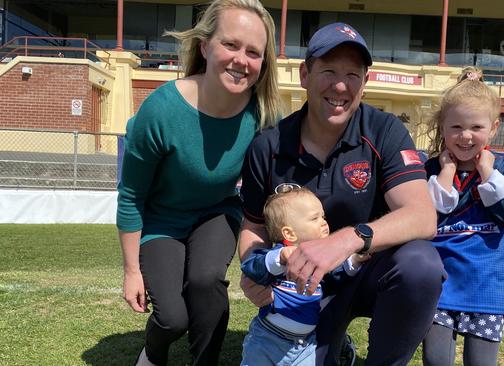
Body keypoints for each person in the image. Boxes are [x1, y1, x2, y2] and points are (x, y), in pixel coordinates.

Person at [238, 22, 446, 365]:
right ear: (305, 74)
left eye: (353, 74)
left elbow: (422, 216)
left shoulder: (384, 130)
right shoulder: (269, 145)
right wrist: (254, 271)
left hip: (365, 270)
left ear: (365, 81)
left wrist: (346, 240)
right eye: (329, 71)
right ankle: (334, 346)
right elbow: (253, 225)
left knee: (421, 264)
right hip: (303, 286)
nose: (340, 85)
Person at [116, 0, 281, 365]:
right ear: (205, 46)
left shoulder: (264, 114)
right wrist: (131, 272)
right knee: (173, 318)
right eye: (231, 45)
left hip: (216, 213)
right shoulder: (160, 111)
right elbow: (130, 197)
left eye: (254, 52)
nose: (242, 60)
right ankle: (153, 354)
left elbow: (279, 176)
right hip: (161, 222)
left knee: (207, 282)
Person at [421, 66, 504, 366]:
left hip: (487, 288)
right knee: (436, 360)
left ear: (493, 128)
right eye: (455, 127)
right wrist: (446, 171)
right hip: (439, 287)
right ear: (442, 127)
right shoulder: (430, 170)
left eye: (476, 128)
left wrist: (487, 172)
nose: (465, 136)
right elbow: (425, 214)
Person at [240, 186, 369, 365]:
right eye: (314, 218)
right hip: (267, 339)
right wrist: (281, 256)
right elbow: (252, 266)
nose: (324, 222)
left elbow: (335, 277)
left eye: (322, 216)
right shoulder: (279, 258)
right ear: (289, 233)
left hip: (305, 345)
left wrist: (354, 261)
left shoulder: (321, 259)